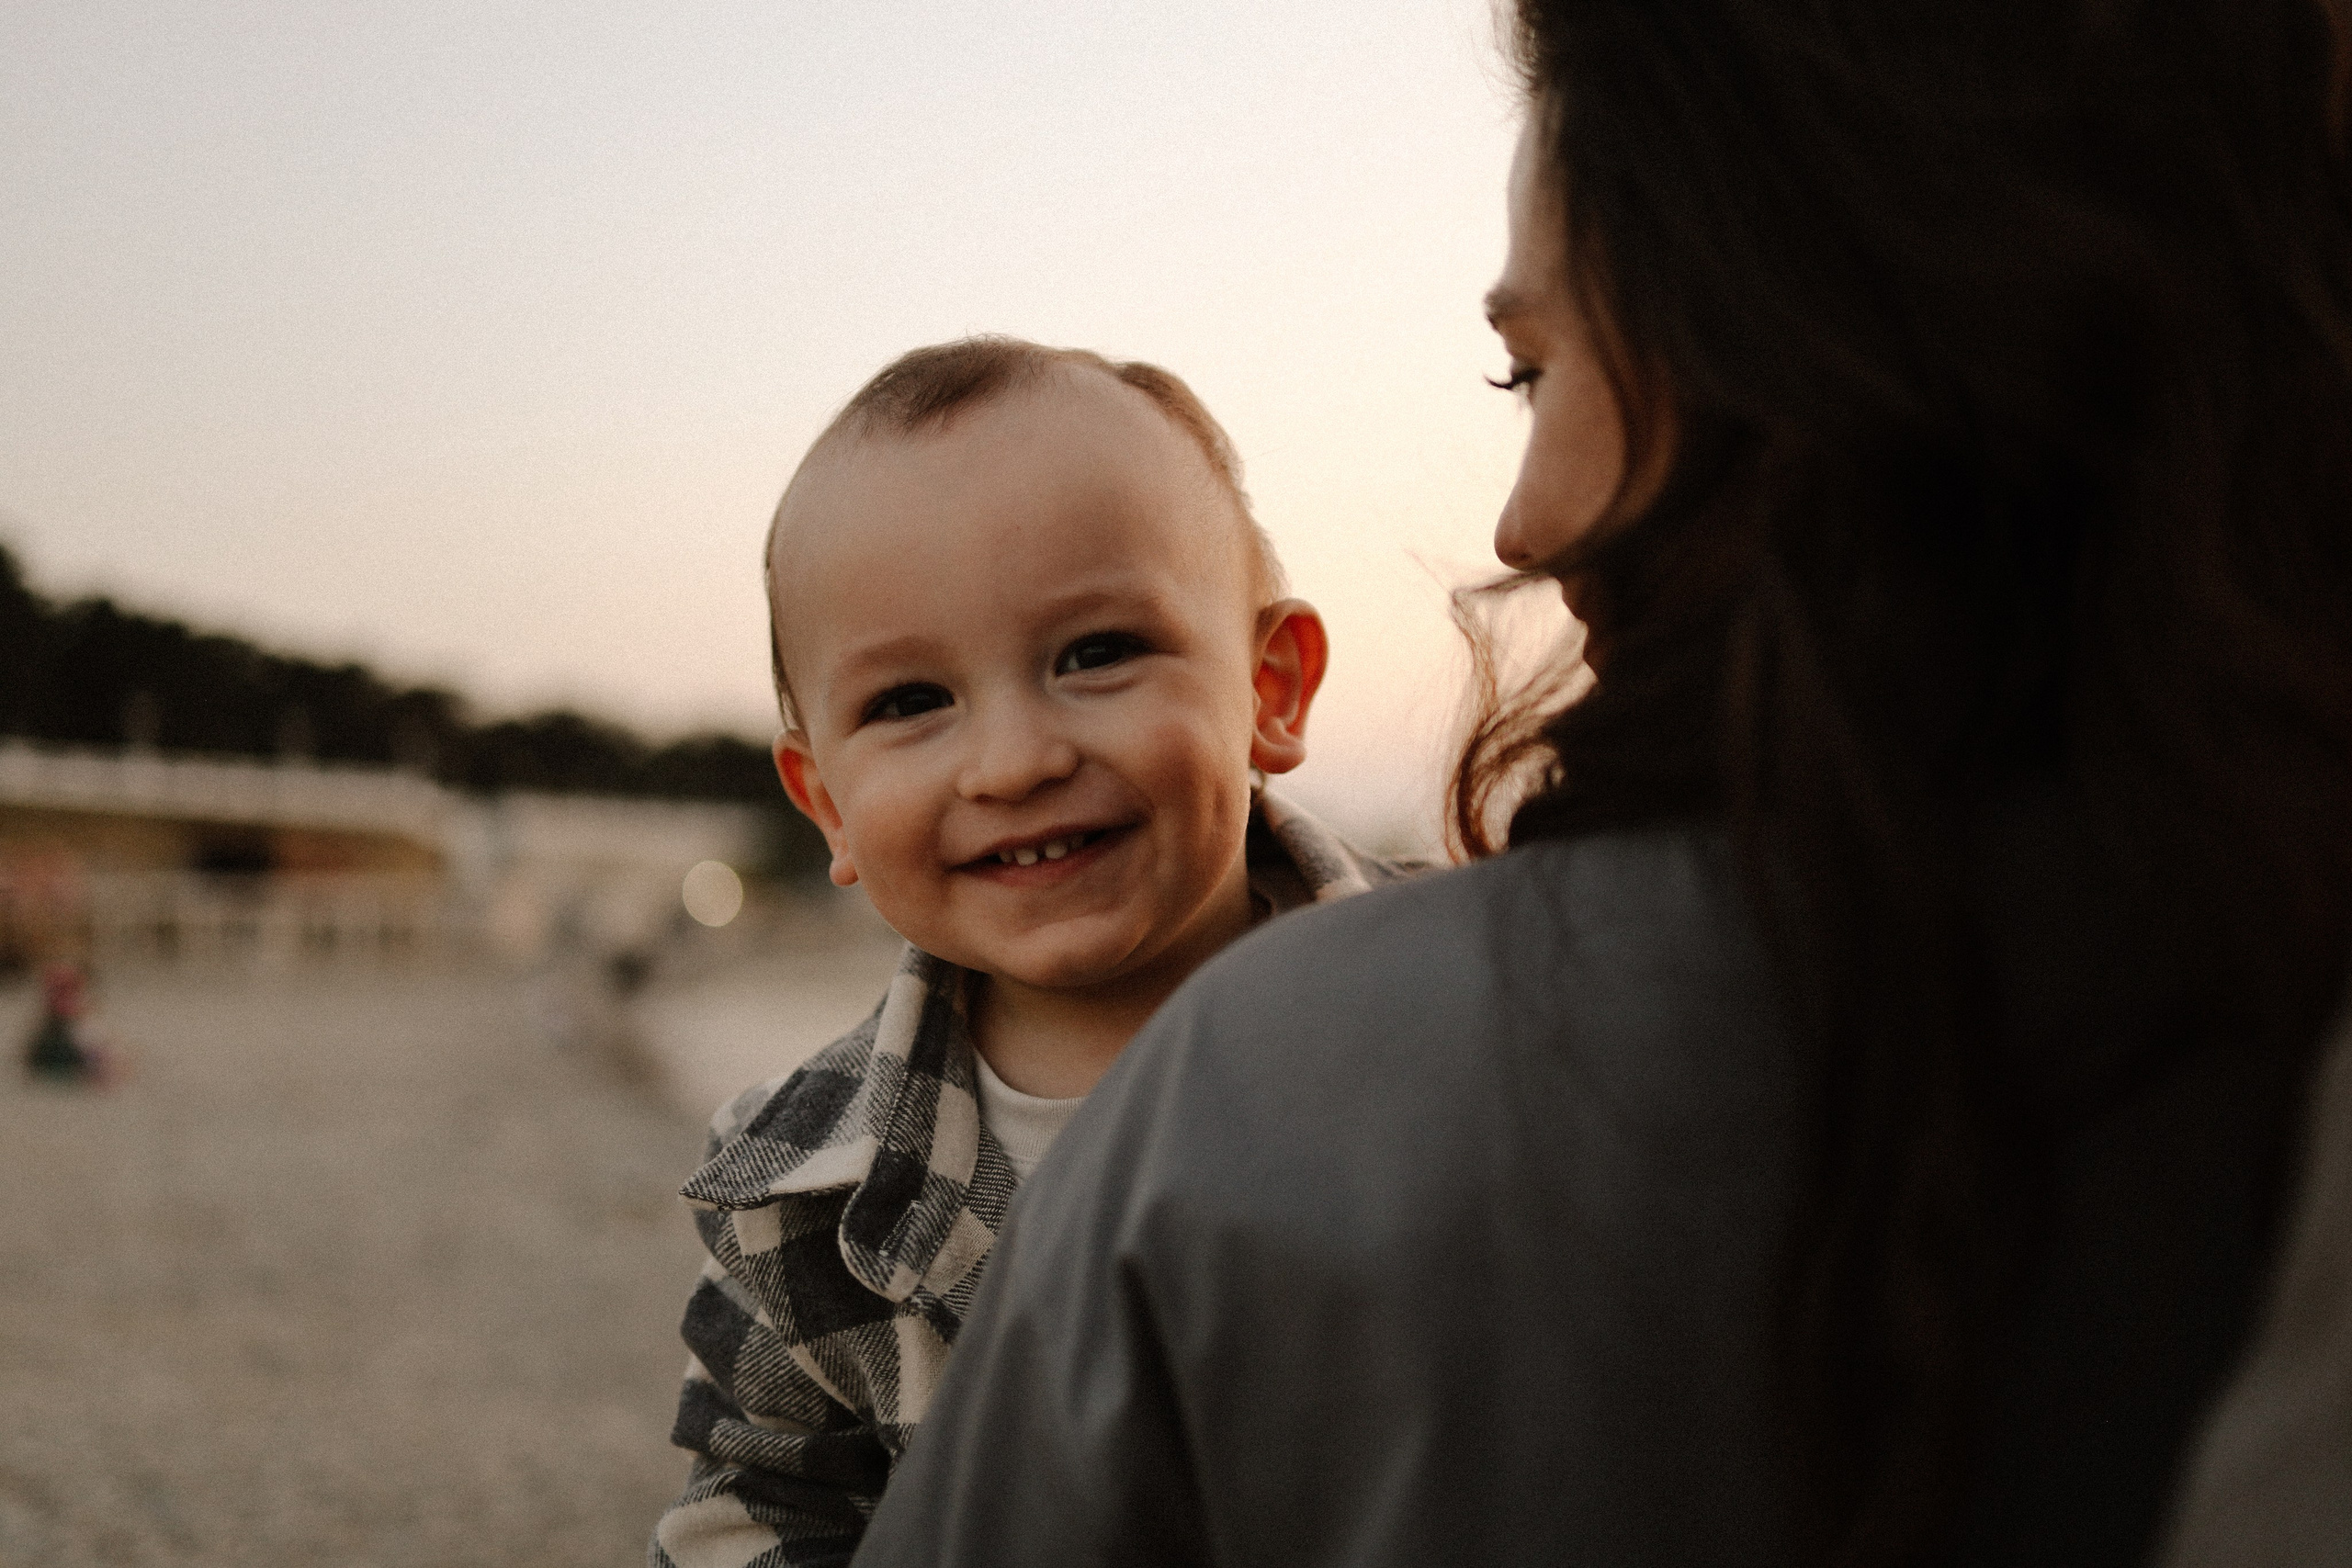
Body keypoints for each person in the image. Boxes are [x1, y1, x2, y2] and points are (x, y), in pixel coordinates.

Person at [851, 5, 2352, 1566]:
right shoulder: (2284, 1008)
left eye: (1536, 370)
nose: (1525, 521)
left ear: (1815, 350)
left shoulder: (1277, 1096)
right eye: (908, 700)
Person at [649, 338, 1413, 1568]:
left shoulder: (1467, 1019)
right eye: (908, 703)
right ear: (828, 804)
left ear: (1270, 687)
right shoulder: (796, 1193)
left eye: (1096, 653)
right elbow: (761, 1510)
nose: (1014, 761)